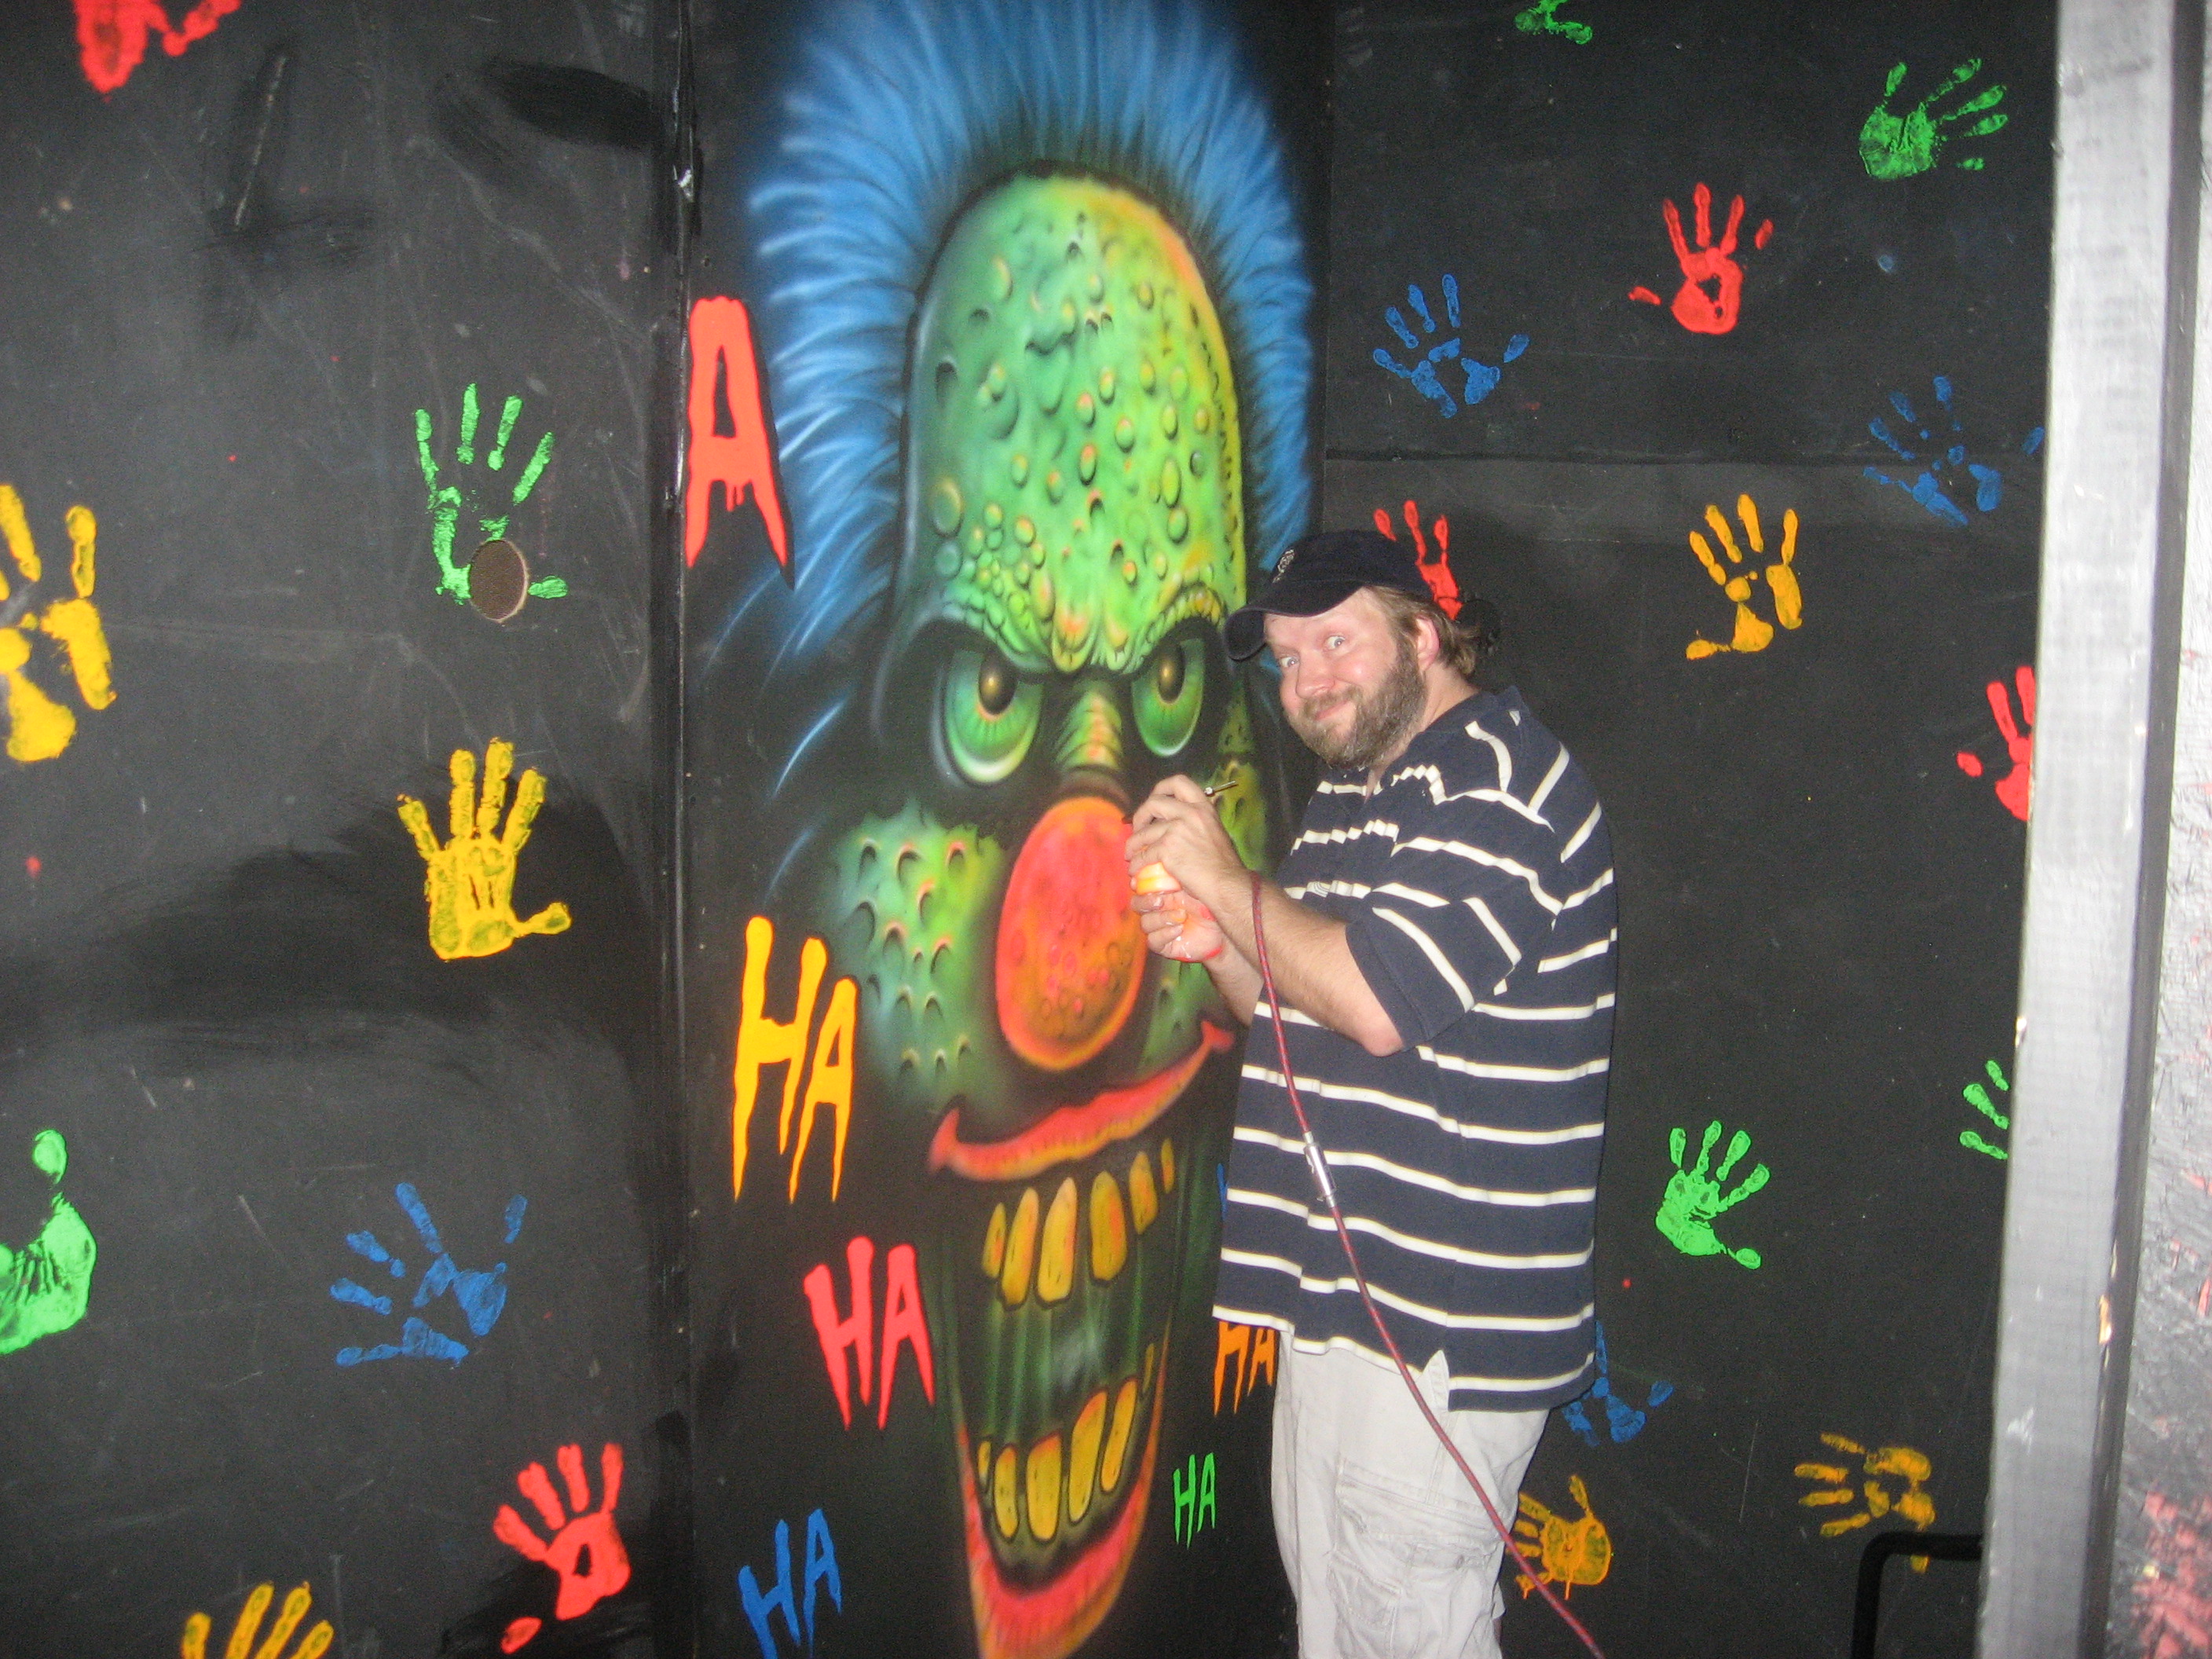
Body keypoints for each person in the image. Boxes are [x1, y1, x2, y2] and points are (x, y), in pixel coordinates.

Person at [1125, 526, 1615, 1659]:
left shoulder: (1499, 782)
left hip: (1440, 1331)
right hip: (1343, 1304)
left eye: (1335, 641)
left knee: (1403, 1633)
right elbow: (1299, 1005)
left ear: (1423, 634)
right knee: (1340, 1629)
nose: (1309, 679)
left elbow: (1378, 1000)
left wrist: (1226, 878)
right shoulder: (1360, 794)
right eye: (1289, 657)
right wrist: (1218, 938)